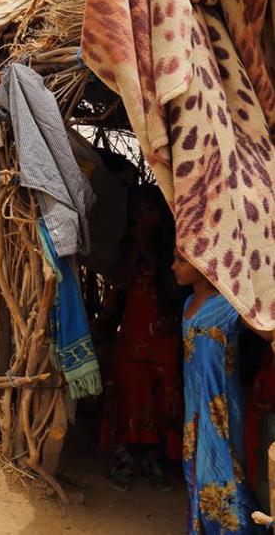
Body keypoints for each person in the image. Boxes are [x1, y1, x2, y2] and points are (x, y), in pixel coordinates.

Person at [172, 250, 273, 534]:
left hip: (221, 405)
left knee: (222, 474)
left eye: (181, 261)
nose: (173, 267)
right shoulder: (189, 303)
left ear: (205, 267)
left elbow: (267, 333)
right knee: (194, 471)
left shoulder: (230, 305)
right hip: (194, 405)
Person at [100, 185, 185, 492]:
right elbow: (121, 283)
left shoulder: (172, 248)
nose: (143, 217)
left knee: (160, 393)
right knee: (130, 391)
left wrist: (148, 248)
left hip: (162, 335)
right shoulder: (127, 245)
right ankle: (126, 458)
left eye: (149, 211)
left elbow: (173, 288)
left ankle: (156, 460)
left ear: (162, 215)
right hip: (133, 333)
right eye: (138, 212)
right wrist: (135, 247)